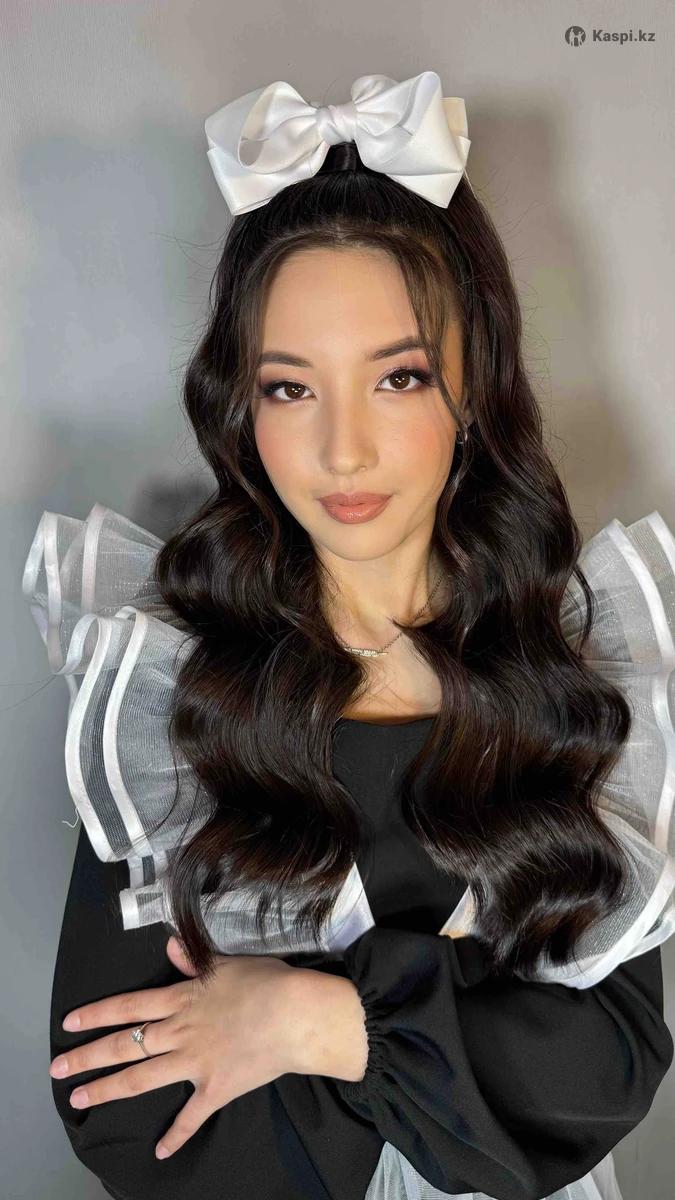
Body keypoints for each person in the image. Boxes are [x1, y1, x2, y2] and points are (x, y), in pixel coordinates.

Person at [22, 71, 675, 1200]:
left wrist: (313, 1022)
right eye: (290, 389)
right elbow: (124, 1106)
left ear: (476, 385)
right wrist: (457, 1054)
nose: (343, 450)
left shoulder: (570, 677)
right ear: (240, 404)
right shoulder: (172, 695)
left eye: (399, 377)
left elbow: (603, 1068)